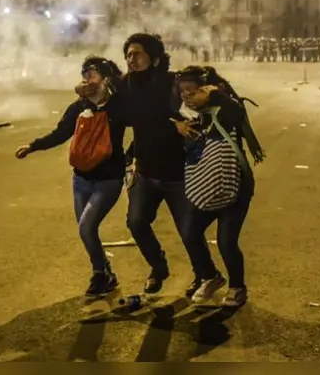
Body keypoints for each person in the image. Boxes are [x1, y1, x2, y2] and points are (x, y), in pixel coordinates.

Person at [78, 33, 199, 297]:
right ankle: (158, 266)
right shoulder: (123, 85)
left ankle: (204, 275)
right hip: (145, 170)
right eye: (128, 54)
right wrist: (86, 95)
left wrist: (181, 121)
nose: (131, 59)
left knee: (189, 230)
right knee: (136, 223)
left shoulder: (172, 82)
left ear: (154, 58)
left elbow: (194, 109)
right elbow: (103, 104)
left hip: (177, 172)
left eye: (137, 53)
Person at [15, 56, 127, 298]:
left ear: (106, 78)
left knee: (86, 227)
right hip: (81, 180)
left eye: (93, 74)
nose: (87, 79)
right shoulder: (78, 107)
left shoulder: (118, 105)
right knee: (87, 230)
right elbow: (60, 133)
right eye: (84, 75)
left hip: (108, 179)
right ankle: (106, 272)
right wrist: (33, 146)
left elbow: (130, 92)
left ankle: (99, 273)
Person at [171, 65, 264, 307]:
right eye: (182, 91)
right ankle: (210, 276)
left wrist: (215, 96)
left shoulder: (224, 109)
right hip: (204, 184)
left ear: (206, 88)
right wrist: (177, 127)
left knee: (226, 241)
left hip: (234, 185)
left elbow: (236, 111)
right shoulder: (186, 115)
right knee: (189, 231)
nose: (186, 96)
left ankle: (237, 288)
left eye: (192, 91)